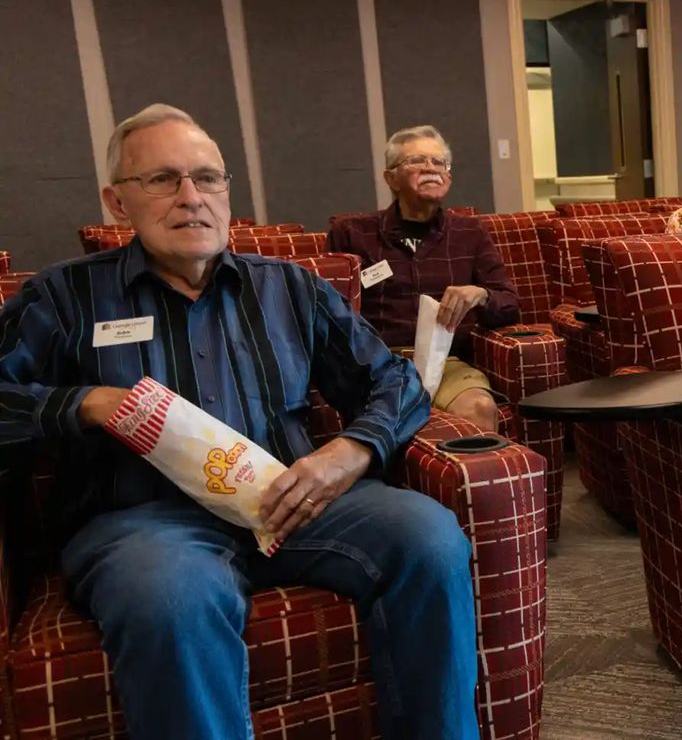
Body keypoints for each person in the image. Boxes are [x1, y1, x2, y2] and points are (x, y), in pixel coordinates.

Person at [0, 104, 479, 739]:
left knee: (429, 537)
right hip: (147, 523)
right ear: (118, 203)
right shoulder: (64, 297)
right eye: (162, 179)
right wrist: (85, 403)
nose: (191, 197)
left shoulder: (290, 288)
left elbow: (394, 380)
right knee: (172, 598)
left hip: (293, 500)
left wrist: (349, 453)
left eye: (208, 178)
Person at [327, 125, 518, 431]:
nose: (431, 168)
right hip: (381, 362)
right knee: (384, 417)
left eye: (439, 162)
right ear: (391, 178)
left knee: (479, 407)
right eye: (417, 160)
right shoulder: (352, 234)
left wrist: (480, 295)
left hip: (446, 363)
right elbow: (332, 313)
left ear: (449, 178)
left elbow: (509, 304)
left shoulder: (470, 233)